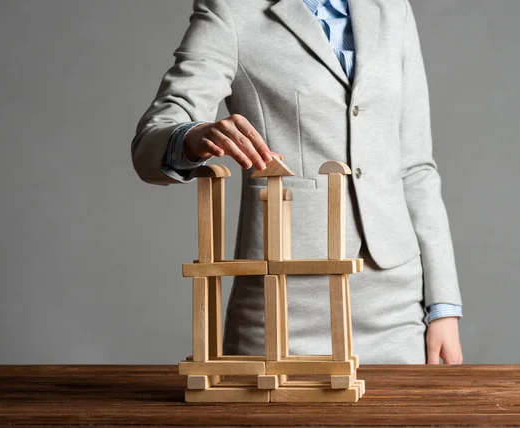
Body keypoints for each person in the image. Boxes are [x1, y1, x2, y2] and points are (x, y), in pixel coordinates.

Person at [131, 0, 464, 364]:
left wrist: (443, 306)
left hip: (397, 310)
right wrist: (197, 136)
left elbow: (415, 167)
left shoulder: (391, 7)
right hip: (283, 306)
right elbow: (151, 141)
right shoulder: (232, 9)